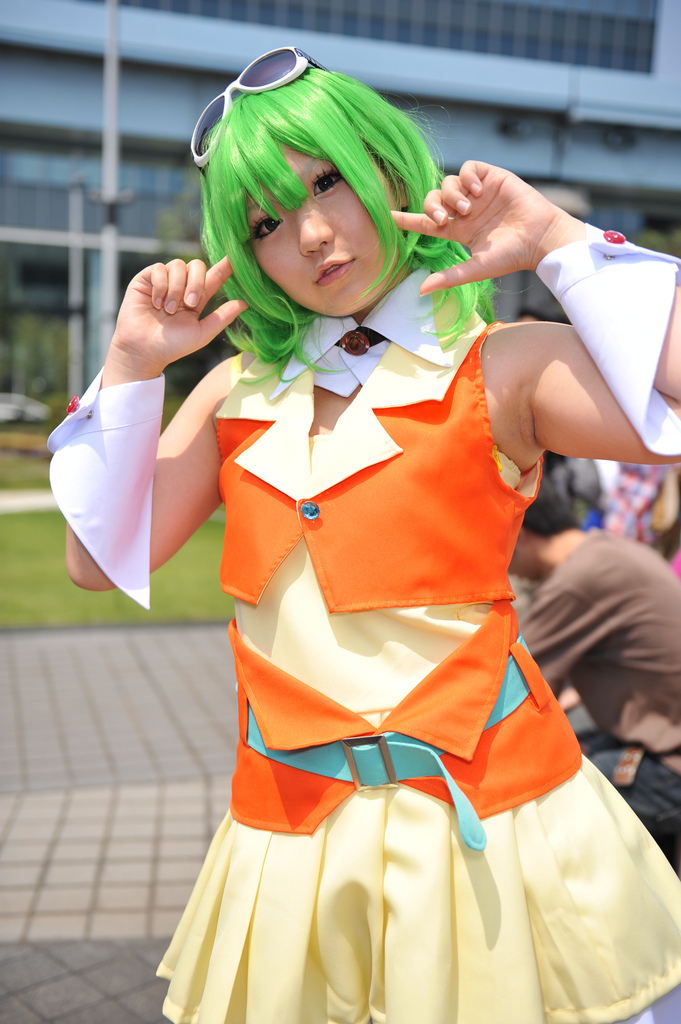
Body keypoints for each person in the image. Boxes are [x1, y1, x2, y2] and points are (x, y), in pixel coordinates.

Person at [47, 48, 681, 1024]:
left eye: (326, 182)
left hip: (495, 831)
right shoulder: (233, 390)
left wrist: (556, 241)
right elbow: (95, 561)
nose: (310, 234)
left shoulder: (498, 365)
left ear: (385, 168)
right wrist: (131, 365)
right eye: (265, 223)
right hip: (293, 841)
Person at [511, 475, 681, 863]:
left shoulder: (575, 582)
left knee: (545, 801)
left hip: (670, 765)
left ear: (520, 533)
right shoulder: (608, 549)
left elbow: (516, 680)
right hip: (665, 734)